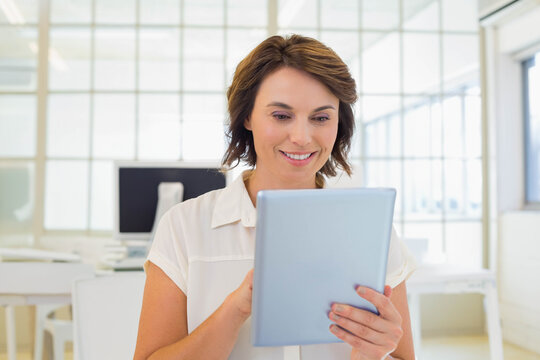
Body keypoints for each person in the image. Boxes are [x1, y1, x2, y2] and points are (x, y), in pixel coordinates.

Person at [134, 34, 416, 360]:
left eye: (321, 117)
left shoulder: (372, 231)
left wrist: (372, 352)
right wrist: (235, 310)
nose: (301, 137)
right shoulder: (184, 228)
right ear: (247, 116)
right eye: (281, 116)